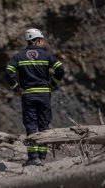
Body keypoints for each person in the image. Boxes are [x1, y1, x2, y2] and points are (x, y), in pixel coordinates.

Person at [6, 28, 64, 166]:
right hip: (44, 94)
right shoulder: (46, 55)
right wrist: (52, 84)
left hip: (28, 95)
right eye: (41, 40)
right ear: (37, 40)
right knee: (44, 124)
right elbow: (60, 69)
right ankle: (42, 157)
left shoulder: (19, 56)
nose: (43, 42)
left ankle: (33, 158)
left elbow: (9, 71)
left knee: (31, 124)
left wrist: (16, 88)